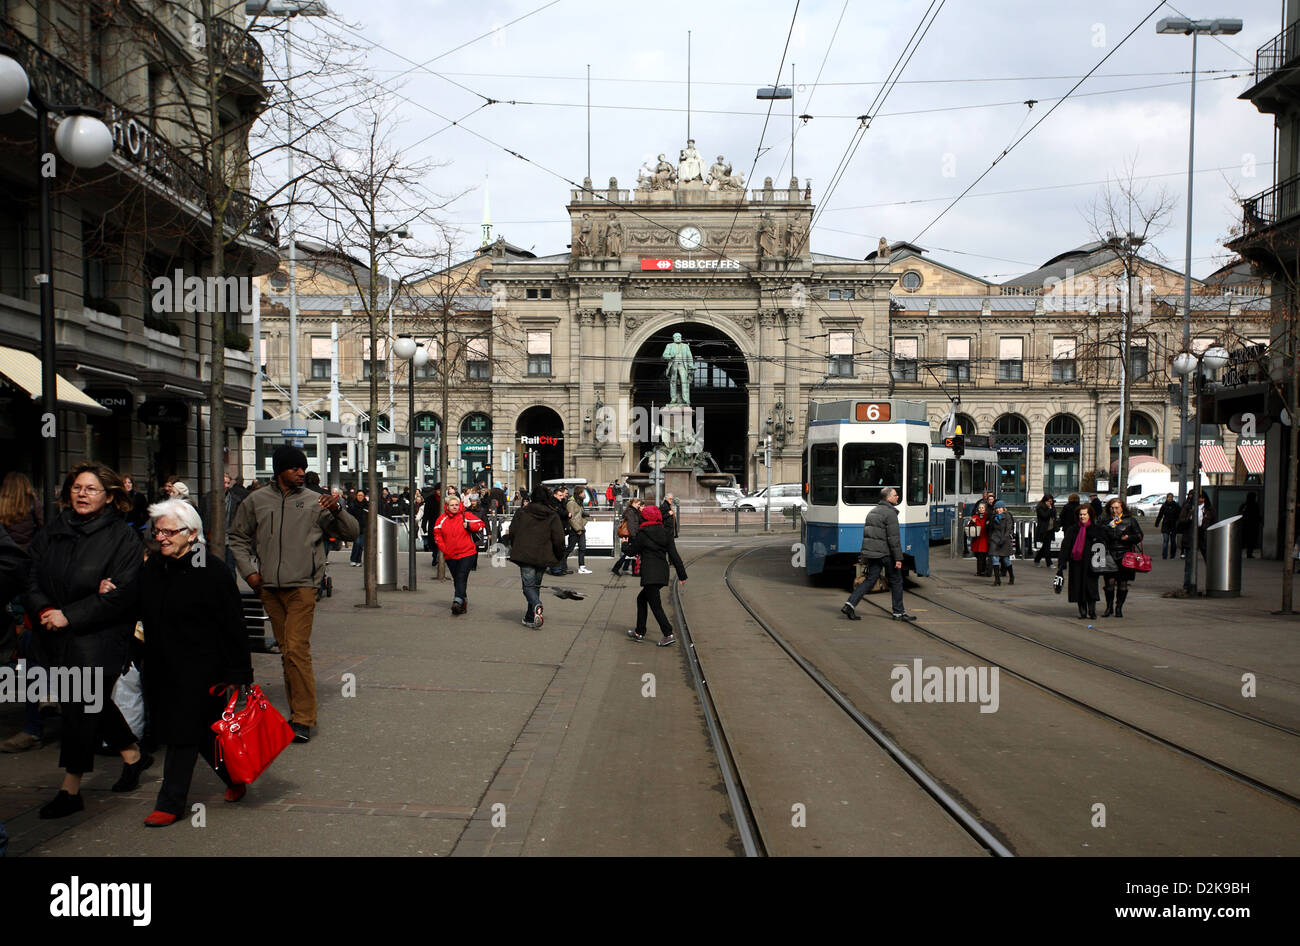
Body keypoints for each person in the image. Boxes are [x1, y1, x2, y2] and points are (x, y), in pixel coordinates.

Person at [26, 463, 150, 819]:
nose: (81, 494)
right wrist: (46, 609)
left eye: (91, 489)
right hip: (54, 632)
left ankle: (71, 788)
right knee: (91, 700)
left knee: (79, 708)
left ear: (110, 496)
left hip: (101, 636)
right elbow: (32, 575)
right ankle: (133, 756)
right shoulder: (54, 530)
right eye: (76, 487)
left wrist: (72, 613)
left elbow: (123, 593)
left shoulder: (122, 538)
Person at [228, 444, 358, 744]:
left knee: (296, 649)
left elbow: (352, 533)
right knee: (288, 651)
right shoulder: (256, 500)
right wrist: (250, 573)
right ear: (280, 471)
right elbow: (238, 538)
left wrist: (338, 509)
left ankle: (303, 719)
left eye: (302, 468)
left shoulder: (316, 502)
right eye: (294, 468)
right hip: (268, 588)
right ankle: (298, 713)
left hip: (303, 586)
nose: (301, 473)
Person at [137, 498, 253, 827]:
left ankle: (170, 803)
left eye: (169, 532)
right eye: (157, 531)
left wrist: (238, 674)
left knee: (181, 733)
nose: (161, 538)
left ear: (191, 534)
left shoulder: (212, 570)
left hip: (203, 669)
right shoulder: (153, 566)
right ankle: (234, 776)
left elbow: (234, 625)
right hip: (162, 665)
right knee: (202, 733)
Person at [0, 472, 45, 753]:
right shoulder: (33, 506)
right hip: (26, 576)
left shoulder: (3, 507)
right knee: (29, 646)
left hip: (12, 583)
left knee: (23, 643)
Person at [841, 486, 916, 622]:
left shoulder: (872, 511)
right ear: (888, 498)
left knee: (870, 580)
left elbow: (868, 536)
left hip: (873, 554)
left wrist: (864, 555)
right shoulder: (890, 513)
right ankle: (899, 613)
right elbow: (894, 538)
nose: (897, 497)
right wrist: (898, 558)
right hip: (886, 554)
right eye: (895, 495)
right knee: (896, 580)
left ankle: (849, 604)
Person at [624, 504, 686, 646]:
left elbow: (632, 551)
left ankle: (668, 633)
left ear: (645, 517)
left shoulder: (643, 533)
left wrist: (624, 545)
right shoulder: (665, 533)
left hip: (650, 574)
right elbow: (674, 556)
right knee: (641, 599)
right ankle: (639, 631)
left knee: (655, 606)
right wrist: (682, 575)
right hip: (662, 573)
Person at [505, 485, 566, 629]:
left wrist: (515, 545)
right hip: (543, 555)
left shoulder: (522, 512)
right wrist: (559, 555)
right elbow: (559, 538)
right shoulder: (552, 514)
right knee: (535, 586)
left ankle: (536, 605)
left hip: (525, 554)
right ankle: (530, 616)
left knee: (528, 586)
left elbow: (512, 531)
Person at [433, 493, 484, 616]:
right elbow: (437, 534)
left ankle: (457, 600)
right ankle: (463, 601)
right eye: (452, 505)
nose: (455, 507)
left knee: (461, 575)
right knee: (458, 579)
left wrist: (470, 525)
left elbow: (481, 524)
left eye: (456, 504)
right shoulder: (441, 519)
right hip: (450, 554)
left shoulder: (466, 515)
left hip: (467, 552)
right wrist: (444, 548)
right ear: (447, 506)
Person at [1057, 505, 1105, 619]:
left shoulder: (1095, 529)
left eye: (1084, 514)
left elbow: (1101, 545)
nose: (1082, 516)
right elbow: (1066, 546)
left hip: (1091, 563)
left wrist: (1100, 563)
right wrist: (1062, 562)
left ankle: (1092, 611)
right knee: (1078, 586)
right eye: (1080, 514)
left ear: (1090, 515)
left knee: (1091, 587)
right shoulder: (1073, 529)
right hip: (1076, 563)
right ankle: (1082, 611)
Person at [1100, 498, 1143, 618]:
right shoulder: (1105, 521)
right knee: (1109, 582)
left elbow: (1139, 536)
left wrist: (1129, 538)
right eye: (1112, 508)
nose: (1114, 511)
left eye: (1117, 508)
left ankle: (1119, 607)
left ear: (1122, 508)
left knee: (1122, 583)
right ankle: (1109, 607)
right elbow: (1099, 534)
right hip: (1109, 554)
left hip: (1125, 554)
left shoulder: (1130, 521)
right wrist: (1106, 529)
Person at [986, 500, 1016, 586]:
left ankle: (1012, 576)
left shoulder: (1007, 516)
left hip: (1004, 540)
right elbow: (990, 529)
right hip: (994, 540)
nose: (998, 510)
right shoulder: (993, 517)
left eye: (1000, 508)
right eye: (996, 508)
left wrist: (1004, 538)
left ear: (1003, 508)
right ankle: (997, 580)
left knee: (1006, 560)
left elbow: (1009, 529)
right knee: (994, 559)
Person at [563, 486, 592, 575]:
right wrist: (578, 529)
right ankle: (561, 564)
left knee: (582, 548)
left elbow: (579, 514)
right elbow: (571, 518)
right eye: (583, 493)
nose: (584, 494)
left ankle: (582, 567)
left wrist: (586, 515)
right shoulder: (571, 503)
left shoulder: (579, 502)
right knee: (570, 548)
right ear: (579, 493)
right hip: (574, 529)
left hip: (581, 528)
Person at [612, 498, 643, 576]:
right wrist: (634, 535)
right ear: (634, 503)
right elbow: (631, 525)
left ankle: (619, 569)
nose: (639, 506)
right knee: (630, 553)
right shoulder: (631, 512)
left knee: (631, 554)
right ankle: (618, 568)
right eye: (638, 504)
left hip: (632, 534)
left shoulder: (634, 511)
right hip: (631, 535)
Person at [1154, 492, 1180, 560]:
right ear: (1167, 498)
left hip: (1173, 525)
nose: (1170, 499)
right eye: (1169, 497)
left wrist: (1178, 523)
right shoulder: (1164, 505)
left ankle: (1172, 555)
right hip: (1166, 525)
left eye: (1171, 497)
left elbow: (1179, 515)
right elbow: (1160, 515)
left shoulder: (1176, 506)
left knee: (1173, 541)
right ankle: (1164, 555)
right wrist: (1157, 523)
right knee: (1165, 541)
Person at [1033, 494, 1056, 567]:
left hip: (1051, 529)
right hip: (1044, 529)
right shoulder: (1040, 507)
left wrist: (1051, 508)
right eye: (1049, 501)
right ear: (1045, 501)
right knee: (1047, 547)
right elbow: (1044, 516)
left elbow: (1054, 515)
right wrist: (1049, 509)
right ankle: (1049, 563)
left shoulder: (1052, 507)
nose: (1050, 503)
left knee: (1045, 547)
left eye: (1051, 501)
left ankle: (1037, 559)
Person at [347, 490, 369, 566]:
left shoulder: (366, 504)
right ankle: (353, 559)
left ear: (364, 496)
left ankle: (358, 560)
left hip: (364, 527)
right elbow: (349, 515)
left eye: (361, 495)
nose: (360, 497)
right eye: (359, 495)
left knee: (361, 545)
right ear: (356, 496)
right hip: (355, 526)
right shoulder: (352, 505)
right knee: (357, 543)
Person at [968, 501, 989, 577]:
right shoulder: (975, 517)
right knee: (978, 556)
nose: (981, 509)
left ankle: (980, 571)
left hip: (984, 539)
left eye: (982, 508)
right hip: (976, 540)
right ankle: (981, 570)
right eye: (979, 508)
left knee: (982, 556)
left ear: (985, 509)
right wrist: (972, 522)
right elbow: (970, 527)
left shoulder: (987, 517)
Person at [1239, 493, 1262, 558]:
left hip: (1245, 525)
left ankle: (1240, 553)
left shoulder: (1244, 505)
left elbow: (1239, 514)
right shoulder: (1255, 505)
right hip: (1252, 526)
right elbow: (1257, 515)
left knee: (1243, 540)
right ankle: (1249, 553)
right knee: (1251, 541)